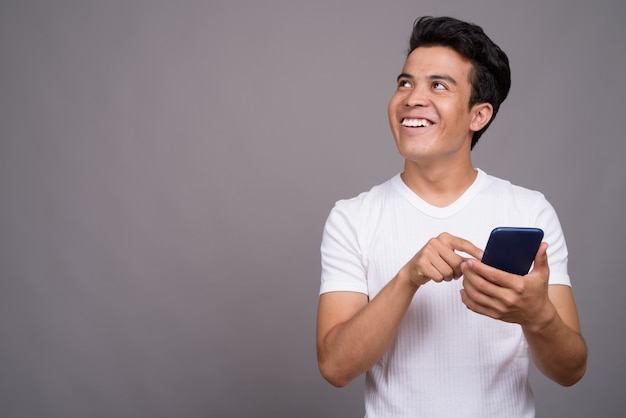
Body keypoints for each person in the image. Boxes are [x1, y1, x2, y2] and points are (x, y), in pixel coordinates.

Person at [316, 16, 587, 417]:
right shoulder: (352, 218)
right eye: (405, 83)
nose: (412, 98)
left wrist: (537, 317)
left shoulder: (529, 210)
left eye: (437, 85)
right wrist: (408, 279)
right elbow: (335, 367)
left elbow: (571, 370)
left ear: (479, 116)